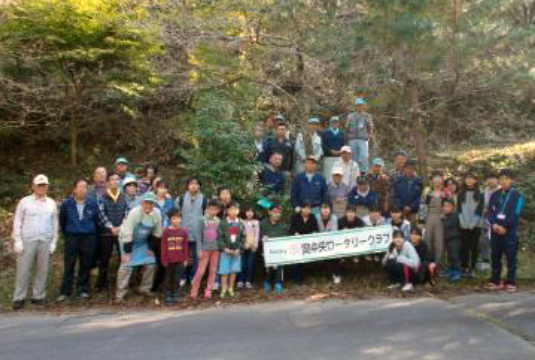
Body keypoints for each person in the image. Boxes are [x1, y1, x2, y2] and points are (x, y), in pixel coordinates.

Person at [12, 175, 59, 310]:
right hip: (27, 240)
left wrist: (53, 242)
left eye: (44, 185)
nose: (42, 187)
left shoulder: (51, 203)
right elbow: (17, 222)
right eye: (39, 185)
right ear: (33, 186)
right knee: (23, 270)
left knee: (42, 270)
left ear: (47, 187)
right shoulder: (24, 202)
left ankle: (38, 296)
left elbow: (54, 223)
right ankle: (19, 298)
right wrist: (18, 241)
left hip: (45, 240)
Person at [57, 179, 100, 301]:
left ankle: (83, 290)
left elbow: (96, 221)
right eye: (80, 187)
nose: (82, 189)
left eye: (85, 187)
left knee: (85, 264)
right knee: (69, 264)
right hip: (72, 237)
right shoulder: (67, 204)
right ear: (74, 189)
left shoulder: (92, 203)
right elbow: (62, 221)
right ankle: (65, 292)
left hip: (88, 238)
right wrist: (69, 233)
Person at [116, 192, 163, 302]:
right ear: (142, 202)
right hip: (127, 240)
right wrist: (127, 251)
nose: (148, 206)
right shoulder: (134, 212)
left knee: (151, 263)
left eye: (151, 203)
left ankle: (144, 289)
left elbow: (157, 233)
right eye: (146, 203)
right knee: (126, 265)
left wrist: (151, 248)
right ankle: (120, 294)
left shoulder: (157, 214)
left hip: (142, 242)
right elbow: (127, 230)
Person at [486, 169, 524, 292]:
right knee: (495, 256)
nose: (504, 181)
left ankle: (510, 281)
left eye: (507, 179)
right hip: (495, 230)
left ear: (512, 180)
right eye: (502, 179)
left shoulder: (517, 195)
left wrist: (505, 227)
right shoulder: (495, 194)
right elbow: (490, 212)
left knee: (511, 257)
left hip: (510, 231)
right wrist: (494, 225)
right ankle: (495, 280)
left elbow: (516, 214)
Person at [95, 172, 128, 292]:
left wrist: (121, 226)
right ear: (108, 182)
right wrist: (111, 227)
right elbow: (101, 213)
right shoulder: (102, 196)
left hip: (121, 231)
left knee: (123, 258)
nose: (115, 182)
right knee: (104, 258)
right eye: (112, 180)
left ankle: (122, 285)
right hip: (107, 233)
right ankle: (101, 284)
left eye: (117, 179)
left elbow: (126, 211)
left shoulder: (123, 195)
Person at [176, 176, 207, 287]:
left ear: (199, 186)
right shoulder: (181, 198)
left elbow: (207, 216)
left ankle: (194, 278)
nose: (193, 186)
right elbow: (176, 214)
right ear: (187, 186)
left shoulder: (204, 199)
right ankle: (182, 277)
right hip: (183, 233)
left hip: (198, 234)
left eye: (196, 183)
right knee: (181, 256)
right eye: (191, 183)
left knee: (197, 257)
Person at [190, 200, 221, 299]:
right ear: (207, 209)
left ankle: (208, 290)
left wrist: (220, 247)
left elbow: (220, 236)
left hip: (215, 249)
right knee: (201, 271)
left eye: (215, 209)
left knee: (213, 270)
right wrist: (199, 250)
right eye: (211, 209)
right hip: (204, 249)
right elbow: (198, 236)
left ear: (218, 210)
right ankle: (194, 290)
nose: (213, 211)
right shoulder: (202, 219)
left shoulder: (218, 221)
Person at [458, 173, 484, 277]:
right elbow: (459, 209)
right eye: (467, 178)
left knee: (474, 247)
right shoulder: (461, 192)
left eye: (471, 178)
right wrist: (463, 223)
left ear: (475, 180)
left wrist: (473, 224)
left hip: (476, 225)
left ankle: (472, 268)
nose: (469, 180)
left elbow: (480, 210)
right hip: (463, 224)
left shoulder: (480, 192)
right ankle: (464, 267)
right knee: (464, 247)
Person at [160, 208, 188, 305]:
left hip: (180, 260)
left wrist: (185, 259)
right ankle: (168, 295)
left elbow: (185, 246)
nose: (176, 220)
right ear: (170, 220)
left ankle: (175, 293)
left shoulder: (183, 231)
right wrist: (164, 259)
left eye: (178, 218)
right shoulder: (166, 232)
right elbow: (163, 246)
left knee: (177, 278)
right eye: (174, 218)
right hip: (169, 260)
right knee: (168, 278)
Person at [218, 202, 245, 299]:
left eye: (236, 209)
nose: (234, 211)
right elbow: (219, 237)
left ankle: (230, 288)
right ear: (227, 211)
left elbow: (243, 238)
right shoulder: (223, 223)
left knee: (233, 271)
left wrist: (239, 248)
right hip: (225, 251)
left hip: (236, 252)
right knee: (224, 271)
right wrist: (224, 248)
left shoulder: (241, 223)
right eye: (231, 209)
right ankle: (224, 288)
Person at [260, 204, 289, 294]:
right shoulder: (263, 223)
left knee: (279, 261)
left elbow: (287, 240)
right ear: (269, 212)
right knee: (267, 262)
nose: (277, 215)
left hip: (279, 252)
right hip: (265, 251)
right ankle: (267, 282)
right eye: (275, 212)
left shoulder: (283, 226)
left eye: (279, 213)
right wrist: (262, 238)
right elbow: (258, 236)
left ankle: (278, 283)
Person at [289, 203, 319, 285]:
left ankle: (308, 279)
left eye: (309, 208)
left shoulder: (312, 217)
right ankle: (297, 280)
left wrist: (314, 233)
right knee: (296, 258)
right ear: (301, 209)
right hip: (297, 243)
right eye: (305, 208)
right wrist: (295, 233)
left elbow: (316, 229)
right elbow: (291, 229)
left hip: (309, 243)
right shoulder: (295, 217)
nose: (307, 210)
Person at [424, 171, 450, 266]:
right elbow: (423, 206)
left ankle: (438, 264)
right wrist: (421, 221)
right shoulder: (427, 192)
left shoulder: (446, 193)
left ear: (442, 181)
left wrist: (446, 216)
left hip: (441, 218)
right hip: (429, 217)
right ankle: (427, 262)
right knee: (427, 239)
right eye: (435, 179)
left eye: (439, 179)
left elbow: (451, 206)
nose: (437, 182)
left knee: (439, 241)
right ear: (432, 181)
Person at [345, 98, 374, 173]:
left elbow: (370, 127)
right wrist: (348, 136)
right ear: (355, 106)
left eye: (360, 105)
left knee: (364, 156)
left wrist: (369, 137)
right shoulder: (350, 116)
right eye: (358, 105)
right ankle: (354, 173)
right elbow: (347, 128)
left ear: (363, 106)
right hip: (353, 139)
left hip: (363, 139)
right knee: (353, 158)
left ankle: (364, 173)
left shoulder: (367, 116)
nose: (359, 107)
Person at [391, 160, 423, 224]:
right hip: (400, 211)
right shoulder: (398, 181)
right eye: (408, 168)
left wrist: (411, 207)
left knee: (413, 230)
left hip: (414, 212)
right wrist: (403, 206)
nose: (410, 170)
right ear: (404, 169)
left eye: (412, 168)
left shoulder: (419, 182)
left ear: (415, 170)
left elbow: (420, 197)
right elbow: (395, 196)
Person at [316, 204, 341, 284]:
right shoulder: (316, 218)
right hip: (318, 243)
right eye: (323, 208)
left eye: (327, 208)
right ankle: (327, 275)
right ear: (320, 209)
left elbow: (334, 232)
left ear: (330, 209)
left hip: (331, 242)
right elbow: (315, 231)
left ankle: (336, 275)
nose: (325, 210)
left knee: (335, 254)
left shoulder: (334, 218)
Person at [480, 172, 500, 268]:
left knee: (496, 240)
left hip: (498, 220)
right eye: (489, 178)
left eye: (493, 178)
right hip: (485, 218)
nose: (491, 180)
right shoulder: (485, 190)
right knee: (484, 239)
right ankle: (485, 260)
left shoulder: (501, 190)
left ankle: (497, 260)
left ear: (497, 180)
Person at [237, 206, 260, 289]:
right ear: (244, 212)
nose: (249, 213)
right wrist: (242, 245)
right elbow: (239, 234)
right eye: (248, 211)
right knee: (242, 264)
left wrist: (255, 245)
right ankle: (240, 280)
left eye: (251, 211)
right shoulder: (240, 221)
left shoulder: (256, 222)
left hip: (252, 246)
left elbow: (257, 234)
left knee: (250, 264)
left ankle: (248, 281)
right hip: (243, 246)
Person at [442, 198, 461, 282]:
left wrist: (442, 219)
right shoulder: (447, 215)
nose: (446, 208)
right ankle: (451, 270)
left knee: (454, 255)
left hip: (454, 239)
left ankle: (457, 272)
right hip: (447, 239)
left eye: (448, 206)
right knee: (449, 256)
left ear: (453, 207)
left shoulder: (455, 215)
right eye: (444, 206)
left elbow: (447, 225)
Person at [321, 116, 345, 180]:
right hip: (328, 157)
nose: (335, 124)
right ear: (330, 123)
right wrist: (331, 151)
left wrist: (340, 151)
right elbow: (323, 145)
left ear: (338, 123)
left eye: (336, 122)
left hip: (339, 157)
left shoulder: (341, 133)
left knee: (338, 174)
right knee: (328, 175)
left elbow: (344, 145)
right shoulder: (325, 133)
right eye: (333, 122)